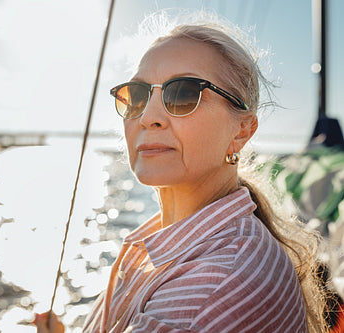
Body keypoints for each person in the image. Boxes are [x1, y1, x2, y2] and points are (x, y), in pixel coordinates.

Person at [34, 13, 328, 333]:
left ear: (242, 130)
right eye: (137, 95)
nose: (148, 117)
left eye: (184, 92)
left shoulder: (222, 278)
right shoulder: (160, 241)